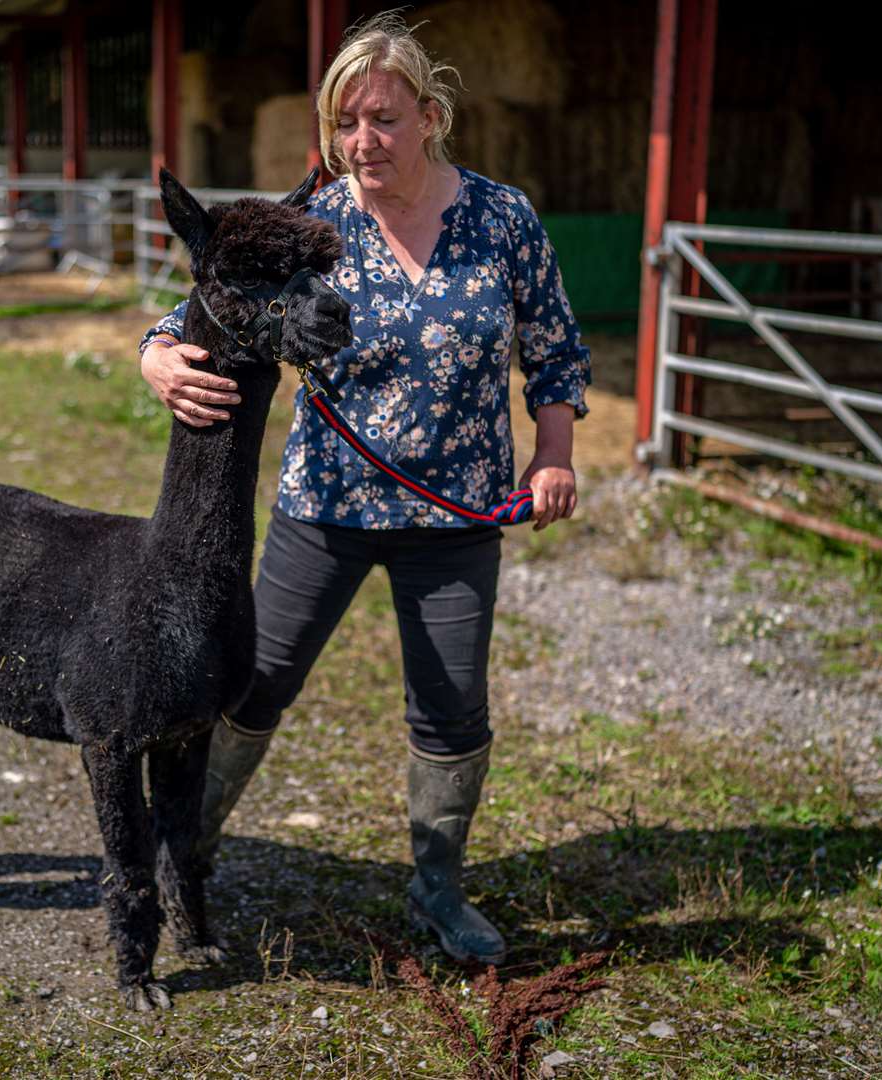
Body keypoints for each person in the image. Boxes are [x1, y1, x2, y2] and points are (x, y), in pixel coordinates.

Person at [137, 13, 589, 965]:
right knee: (252, 685)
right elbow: (201, 309)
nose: (361, 142)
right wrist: (156, 360)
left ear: (430, 116)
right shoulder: (316, 223)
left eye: (381, 119)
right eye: (345, 123)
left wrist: (553, 454)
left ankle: (437, 889)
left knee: (453, 709)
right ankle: (182, 853)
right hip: (324, 508)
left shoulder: (504, 221)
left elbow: (554, 351)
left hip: (458, 520)